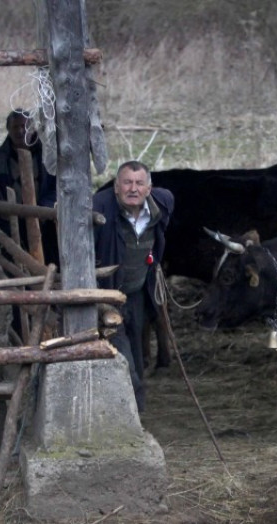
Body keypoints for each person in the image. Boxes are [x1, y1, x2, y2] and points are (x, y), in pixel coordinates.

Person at [93, 161, 174, 413]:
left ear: (149, 188)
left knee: (137, 348)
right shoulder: (101, 207)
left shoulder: (161, 206)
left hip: (137, 292)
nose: (133, 189)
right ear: (116, 187)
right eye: (127, 182)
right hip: (107, 294)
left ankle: (136, 411)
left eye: (139, 183)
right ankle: (129, 406)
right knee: (121, 352)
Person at [0, 109, 59, 266]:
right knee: (14, 268)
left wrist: (44, 209)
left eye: (24, 126)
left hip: (47, 224)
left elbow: (57, 187)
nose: (20, 131)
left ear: (33, 128)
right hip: (11, 229)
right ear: (8, 129)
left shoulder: (48, 155)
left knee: (51, 266)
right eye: (15, 127)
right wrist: (5, 211)